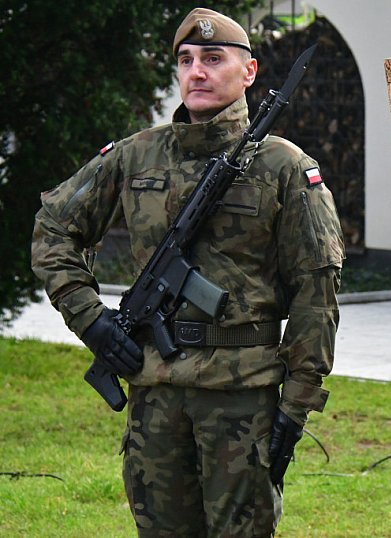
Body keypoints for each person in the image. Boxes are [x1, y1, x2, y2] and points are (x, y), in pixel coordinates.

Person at [31, 7, 344, 536]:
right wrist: (92, 320)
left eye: (213, 58)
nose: (196, 71)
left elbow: (317, 291)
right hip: (154, 393)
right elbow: (53, 227)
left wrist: (297, 404)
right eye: (186, 60)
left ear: (249, 71)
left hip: (241, 397)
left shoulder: (284, 167)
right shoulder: (136, 155)